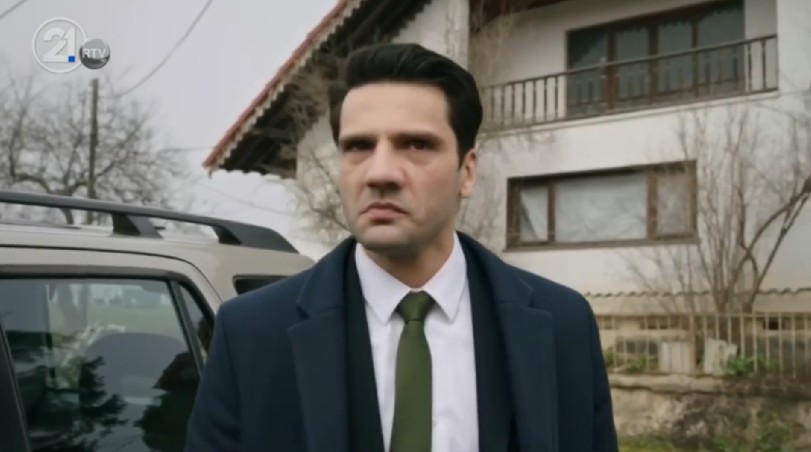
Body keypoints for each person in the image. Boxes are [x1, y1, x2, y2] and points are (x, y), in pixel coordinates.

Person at [185, 42, 618, 452]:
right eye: (358, 146)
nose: (381, 173)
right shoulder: (252, 334)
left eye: (416, 145)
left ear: (467, 172)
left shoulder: (563, 325)